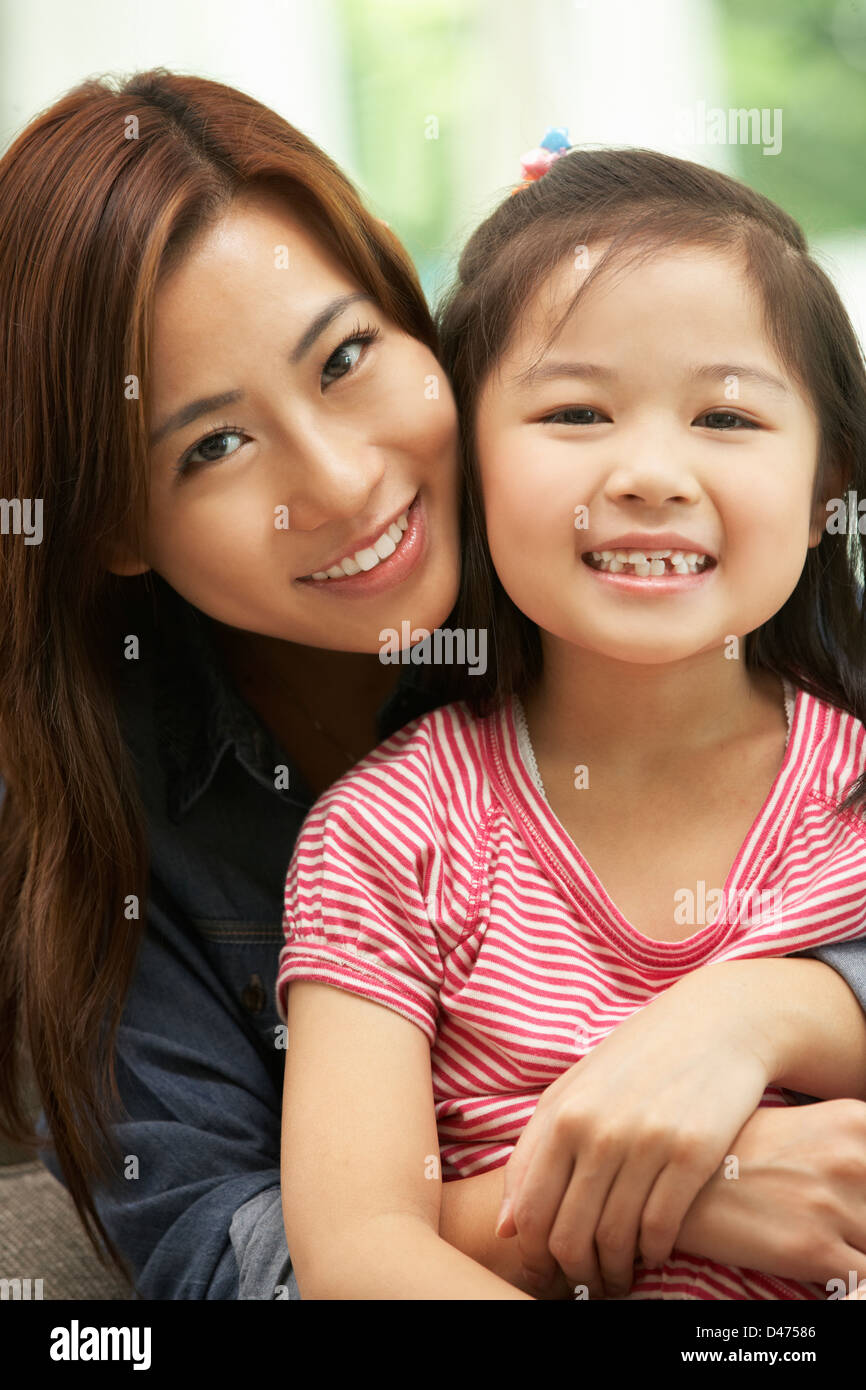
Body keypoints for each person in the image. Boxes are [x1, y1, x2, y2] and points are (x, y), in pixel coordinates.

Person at [0, 77, 863, 1300]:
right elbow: (268, 1260)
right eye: (212, 445)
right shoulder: (315, 833)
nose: (344, 480)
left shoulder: (766, 634)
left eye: (346, 356)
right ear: (112, 526)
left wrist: (760, 1010)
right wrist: (683, 1185)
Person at [277, 144, 866, 1300]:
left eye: (726, 417)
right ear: (469, 469)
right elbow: (356, 1253)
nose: (650, 470)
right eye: (574, 410)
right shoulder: (387, 837)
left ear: (824, 492)